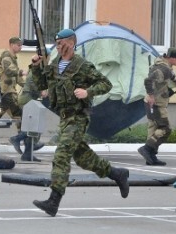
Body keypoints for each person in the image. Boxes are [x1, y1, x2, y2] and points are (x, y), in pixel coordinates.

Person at [30, 28, 130, 217]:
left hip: (78, 117)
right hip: (65, 118)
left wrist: (87, 92)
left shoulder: (82, 65)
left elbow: (105, 83)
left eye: (62, 43)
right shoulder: (54, 65)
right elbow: (42, 85)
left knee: (61, 155)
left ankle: (53, 200)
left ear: (72, 43)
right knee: (84, 159)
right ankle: (117, 174)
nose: (58, 47)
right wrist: (35, 67)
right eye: (57, 43)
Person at [138, 47, 176, 166]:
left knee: (153, 129)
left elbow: (175, 82)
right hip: (156, 104)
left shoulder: (164, 67)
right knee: (165, 129)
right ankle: (147, 149)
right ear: (172, 58)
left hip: (151, 102)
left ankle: (151, 158)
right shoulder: (164, 69)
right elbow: (148, 80)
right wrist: (151, 95)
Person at [0, 37, 26, 155]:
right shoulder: (6, 56)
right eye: (18, 45)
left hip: (6, 94)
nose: (20, 47)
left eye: (21, 45)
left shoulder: (13, 58)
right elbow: (9, 71)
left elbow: (17, 78)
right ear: (12, 45)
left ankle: (20, 140)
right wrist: (22, 72)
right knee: (18, 115)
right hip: (5, 94)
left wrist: (28, 85)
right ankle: (20, 139)